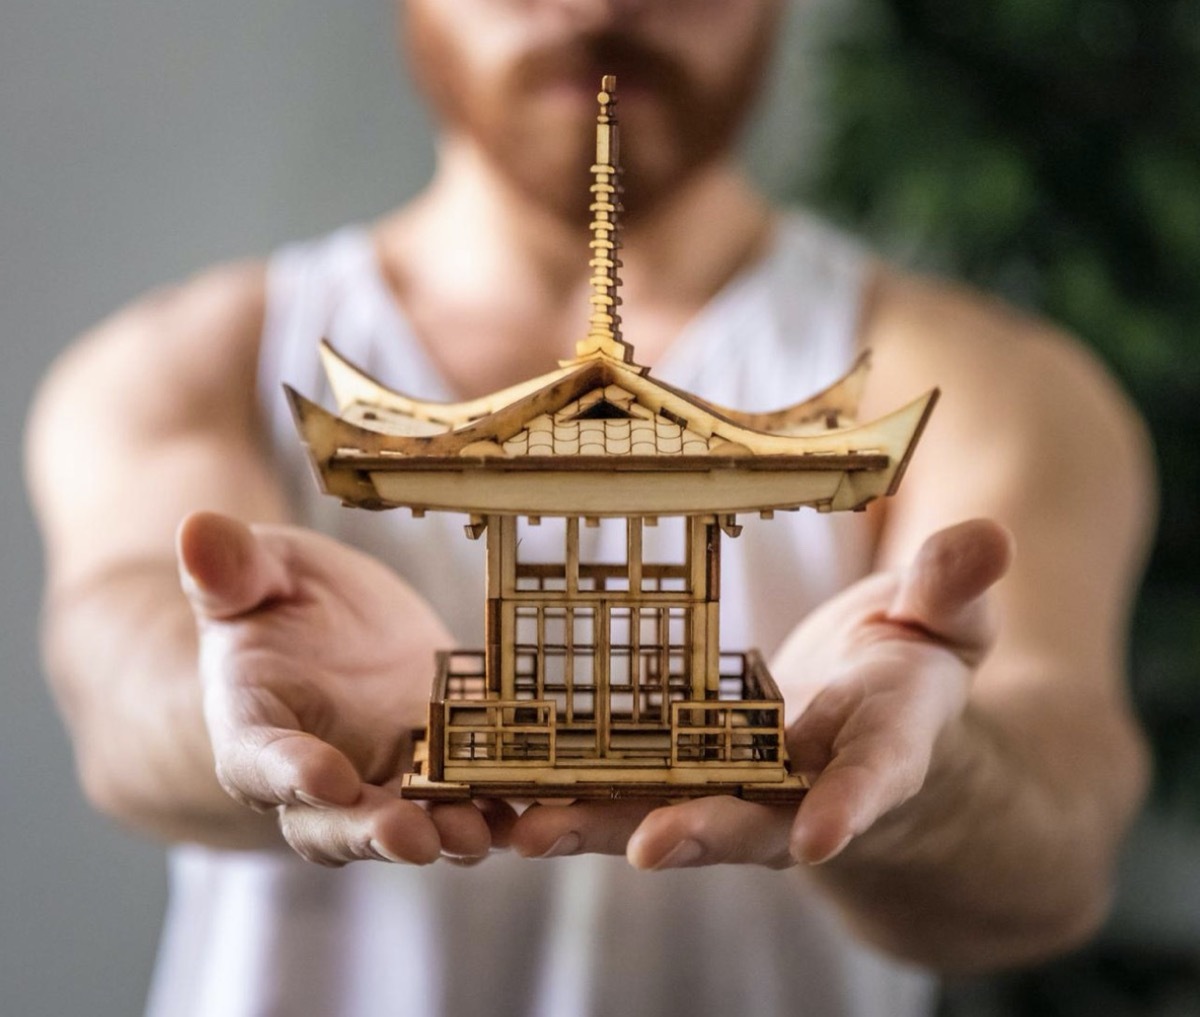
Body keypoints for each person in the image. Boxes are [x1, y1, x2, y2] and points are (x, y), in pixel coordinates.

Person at [26, 1, 1155, 1015]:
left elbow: (1060, 832)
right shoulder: (199, 362)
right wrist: (247, 698)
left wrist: (921, 772)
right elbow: (122, 670)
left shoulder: (986, 384)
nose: (606, 6)